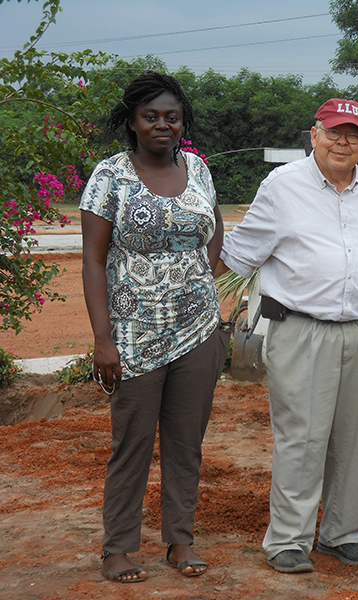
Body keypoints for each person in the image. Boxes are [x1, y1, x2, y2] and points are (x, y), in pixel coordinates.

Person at [213, 98, 358, 573]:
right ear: (315, 134)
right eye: (334, 132)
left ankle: (342, 533)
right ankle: (287, 541)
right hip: (301, 330)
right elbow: (238, 256)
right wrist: (206, 308)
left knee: (353, 437)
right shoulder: (283, 186)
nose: (343, 141)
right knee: (300, 438)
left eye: (354, 134)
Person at [81, 71, 228, 583]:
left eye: (172, 116)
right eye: (151, 117)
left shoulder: (199, 169)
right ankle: (118, 548)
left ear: (182, 121)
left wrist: (195, 281)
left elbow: (214, 229)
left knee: (187, 442)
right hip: (134, 336)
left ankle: (179, 542)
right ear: (133, 122)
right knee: (133, 443)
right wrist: (104, 340)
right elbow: (93, 261)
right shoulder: (110, 176)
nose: (162, 125)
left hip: (198, 332)